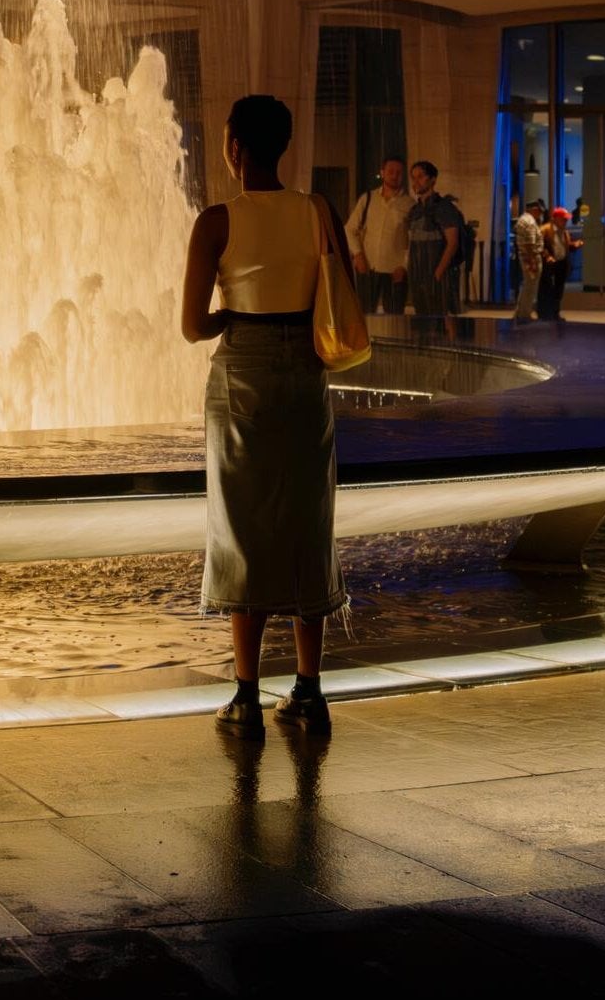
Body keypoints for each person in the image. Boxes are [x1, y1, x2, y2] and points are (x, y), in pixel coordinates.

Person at [181, 93, 349, 740]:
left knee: (241, 523)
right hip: (305, 374)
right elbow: (341, 299)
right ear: (280, 147)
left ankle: (245, 693)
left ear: (233, 147)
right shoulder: (316, 212)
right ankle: (309, 689)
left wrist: (234, 314)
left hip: (242, 373)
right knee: (309, 518)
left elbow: (193, 324)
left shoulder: (217, 221)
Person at [343, 155, 410, 316]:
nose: (395, 176)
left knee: (394, 317)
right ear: (383, 172)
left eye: (399, 172)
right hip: (368, 266)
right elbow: (349, 228)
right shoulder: (368, 199)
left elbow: (412, 240)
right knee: (363, 314)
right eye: (391, 171)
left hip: (395, 270)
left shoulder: (409, 204)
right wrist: (358, 255)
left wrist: (405, 266)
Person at [404, 160, 465, 317]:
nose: (415, 181)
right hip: (418, 274)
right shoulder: (414, 210)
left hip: (437, 273)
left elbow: (452, 243)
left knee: (440, 319)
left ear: (432, 179)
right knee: (422, 319)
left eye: (420, 176)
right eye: (413, 177)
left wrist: (438, 273)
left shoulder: (444, 207)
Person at [536, 205, 576, 320]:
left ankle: (555, 313)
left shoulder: (564, 232)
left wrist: (573, 245)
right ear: (555, 219)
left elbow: (565, 246)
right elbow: (539, 245)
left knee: (559, 289)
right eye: (563, 219)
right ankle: (543, 313)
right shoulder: (545, 230)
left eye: (566, 219)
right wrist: (547, 256)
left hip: (561, 263)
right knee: (546, 288)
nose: (565, 221)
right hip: (549, 264)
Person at [512, 197, 545, 323]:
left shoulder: (522, 219)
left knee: (526, 285)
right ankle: (525, 314)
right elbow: (530, 244)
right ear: (535, 209)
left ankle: (520, 311)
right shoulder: (530, 222)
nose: (540, 214)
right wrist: (533, 261)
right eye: (539, 211)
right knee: (531, 287)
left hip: (524, 256)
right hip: (531, 257)